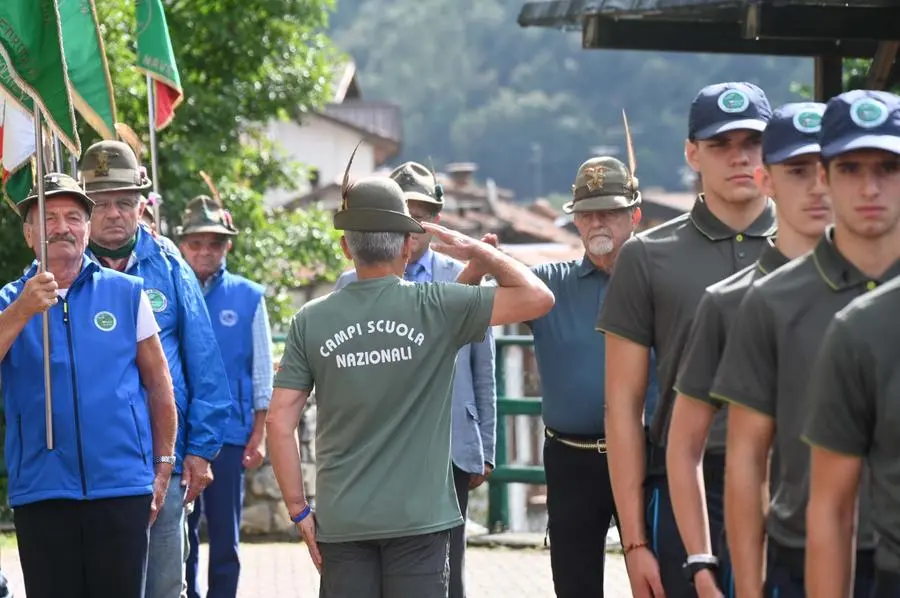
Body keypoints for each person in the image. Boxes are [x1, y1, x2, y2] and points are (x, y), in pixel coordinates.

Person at [266, 154, 554, 598]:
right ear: (407, 245)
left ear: (347, 247)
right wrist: (479, 250)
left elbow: (279, 422)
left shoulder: (311, 320)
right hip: (419, 520)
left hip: (343, 520)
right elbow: (538, 297)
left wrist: (299, 509)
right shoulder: (439, 307)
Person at [711, 89, 900, 598]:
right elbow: (746, 458)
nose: (870, 187)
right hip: (803, 551)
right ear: (828, 177)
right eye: (852, 168)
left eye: (887, 167)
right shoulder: (771, 301)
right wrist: (748, 587)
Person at [596, 81, 776, 598]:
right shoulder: (647, 256)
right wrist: (634, 544)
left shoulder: (812, 248)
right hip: (685, 485)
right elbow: (623, 408)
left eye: (753, 143)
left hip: (792, 482)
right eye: (721, 145)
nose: (740, 158)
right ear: (692, 153)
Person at [665, 102, 831, 597]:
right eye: (799, 171)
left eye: (832, 168)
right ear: (768, 181)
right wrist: (700, 560)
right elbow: (684, 447)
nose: (818, 186)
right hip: (775, 550)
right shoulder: (731, 303)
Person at [0, 173, 177, 597]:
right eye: (50, 217)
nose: (63, 227)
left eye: (74, 217)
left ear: (88, 226)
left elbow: (159, 383)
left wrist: (164, 465)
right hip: (42, 489)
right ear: (29, 233)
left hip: (122, 487)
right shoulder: (8, 300)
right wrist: (23, 309)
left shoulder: (127, 293)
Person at [333, 161, 496, 598]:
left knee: (449, 567)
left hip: (451, 442)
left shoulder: (457, 277)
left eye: (421, 213)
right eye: (404, 212)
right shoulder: (350, 282)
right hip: (380, 441)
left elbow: (483, 367)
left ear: (436, 218)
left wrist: (488, 447)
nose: (412, 223)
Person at [79, 140, 232, 598]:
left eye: (123, 202)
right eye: (100, 203)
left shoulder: (168, 264)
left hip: (161, 459)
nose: (112, 214)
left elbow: (204, 361)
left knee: (165, 587)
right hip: (91, 465)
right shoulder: (64, 266)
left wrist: (201, 450)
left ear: (142, 205)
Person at [498, 152, 651, 597]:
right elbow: (476, 306)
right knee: (574, 582)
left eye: (609, 213)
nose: (597, 224)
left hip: (646, 454)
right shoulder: (548, 286)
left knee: (657, 575)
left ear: (634, 215)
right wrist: (480, 255)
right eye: (586, 215)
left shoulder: (657, 280)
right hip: (570, 458)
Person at [178, 194, 273, 598]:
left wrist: (260, 431)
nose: (204, 251)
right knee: (181, 533)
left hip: (229, 434)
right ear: (182, 243)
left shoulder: (248, 296)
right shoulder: (168, 288)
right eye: (196, 243)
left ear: (227, 246)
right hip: (178, 433)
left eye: (214, 243)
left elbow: (263, 368)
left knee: (224, 532)